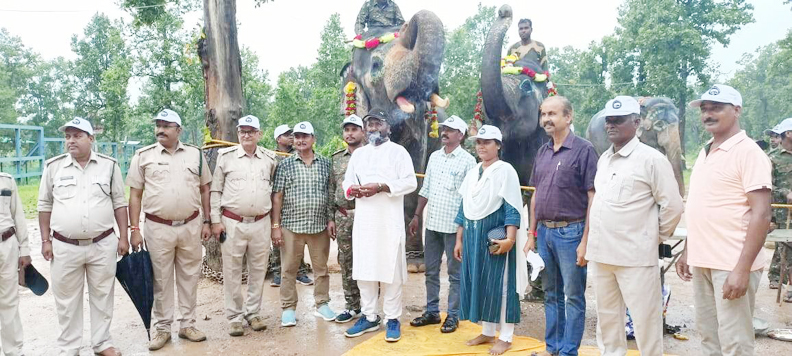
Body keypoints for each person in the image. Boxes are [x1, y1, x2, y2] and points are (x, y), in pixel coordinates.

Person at [675, 84, 772, 356]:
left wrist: (742, 269)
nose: (708, 114)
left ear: (737, 110)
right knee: (709, 338)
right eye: (704, 109)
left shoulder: (748, 152)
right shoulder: (706, 151)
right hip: (703, 260)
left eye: (716, 107)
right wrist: (688, 250)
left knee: (735, 343)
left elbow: (762, 213)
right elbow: (703, 208)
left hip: (731, 263)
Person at [587, 96, 684, 356]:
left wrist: (652, 236)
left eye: (619, 120)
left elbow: (673, 206)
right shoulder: (604, 160)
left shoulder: (651, 159)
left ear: (637, 123)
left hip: (636, 258)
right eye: (609, 120)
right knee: (607, 321)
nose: (611, 125)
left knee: (645, 323)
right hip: (602, 255)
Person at [38, 118, 128, 356]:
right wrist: (46, 240)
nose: (71, 141)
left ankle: (102, 343)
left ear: (91, 139)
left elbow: (120, 203)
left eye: (77, 136)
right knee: (67, 300)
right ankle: (70, 347)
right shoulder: (53, 167)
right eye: (68, 136)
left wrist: (124, 237)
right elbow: (44, 205)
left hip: (102, 243)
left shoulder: (109, 166)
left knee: (102, 296)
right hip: (64, 246)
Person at [126, 109, 212, 351]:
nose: (160, 129)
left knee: (189, 277)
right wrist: (134, 228)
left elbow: (205, 188)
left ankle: (188, 325)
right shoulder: (143, 156)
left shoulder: (195, 155)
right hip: (157, 227)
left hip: (190, 225)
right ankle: (163, 328)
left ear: (179, 130)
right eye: (158, 125)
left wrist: (207, 220)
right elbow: (135, 195)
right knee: (160, 279)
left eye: (166, 125)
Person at [525, 96, 597, 356]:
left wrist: (585, 242)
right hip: (543, 233)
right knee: (551, 295)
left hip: (571, 233)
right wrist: (531, 234)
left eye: (552, 114)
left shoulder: (584, 150)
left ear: (569, 117)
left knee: (573, 297)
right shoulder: (543, 152)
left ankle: (568, 352)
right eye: (543, 114)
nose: (546, 119)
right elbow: (535, 194)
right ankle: (552, 348)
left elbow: (592, 197)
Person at [342, 108, 417, 342]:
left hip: (389, 223)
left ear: (388, 127)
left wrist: (382, 187)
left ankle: (392, 318)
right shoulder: (359, 155)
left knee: (391, 271)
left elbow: (410, 182)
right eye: (369, 124)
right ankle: (369, 316)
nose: (373, 127)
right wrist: (352, 190)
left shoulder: (398, 152)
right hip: (364, 222)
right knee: (365, 270)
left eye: (378, 123)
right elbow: (348, 180)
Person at [452, 125, 526, 356]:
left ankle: (505, 336)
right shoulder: (474, 171)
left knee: (501, 285)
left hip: (495, 236)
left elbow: (512, 207)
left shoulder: (506, 170)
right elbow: (464, 208)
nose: (482, 146)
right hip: (472, 236)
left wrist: (510, 240)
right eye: (479, 142)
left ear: (498, 145)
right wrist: (459, 240)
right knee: (480, 282)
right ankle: (487, 331)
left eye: (487, 142)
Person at [210, 115, 278, 336]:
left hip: (261, 223)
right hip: (232, 223)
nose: (247, 135)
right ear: (238, 134)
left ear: (259, 134)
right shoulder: (225, 157)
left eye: (251, 131)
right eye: (243, 131)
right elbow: (215, 190)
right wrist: (215, 220)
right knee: (231, 271)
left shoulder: (270, 159)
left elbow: (275, 191)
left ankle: (253, 313)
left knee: (258, 270)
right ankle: (235, 317)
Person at [409, 115, 476, 333]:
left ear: (461, 135)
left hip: (454, 228)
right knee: (431, 270)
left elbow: (469, 198)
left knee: (455, 274)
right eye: (444, 128)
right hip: (433, 224)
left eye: (450, 129)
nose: (444, 132)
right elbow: (426, 189)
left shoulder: (468, 161)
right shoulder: (434, 157)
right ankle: (432, 312)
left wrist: (462, 229)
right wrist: (417, 215)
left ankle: (453, 316)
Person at [272, 121, 337, 327]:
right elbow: (277, 197)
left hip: (319, 226)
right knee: (288, 270)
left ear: (313, 139)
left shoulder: (326, 164)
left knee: (321, 269)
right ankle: (288, 309)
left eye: (305, 136)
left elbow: (330, 195)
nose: (300, 140)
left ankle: (322, 304)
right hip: (292, 226)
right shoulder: (285, 164)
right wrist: (275, 226)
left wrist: (330, 219)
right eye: (297, 137)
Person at [330, 115, 366, 323]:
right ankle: (352, 306)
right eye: (347, 130)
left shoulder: (371, 155)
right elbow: (331, 189)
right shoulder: (336, 158)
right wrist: (330, 218)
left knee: (368, 259)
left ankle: (370, 306)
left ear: (363, 132)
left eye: (354, 129)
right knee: (346, 261)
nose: (350, 133)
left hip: (366, 214)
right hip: (343, 216)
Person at [269, 124, 313, 288]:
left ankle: (300, 272)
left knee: (298, 239)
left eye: (291, 134)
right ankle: (278, 273)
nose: (290, 137)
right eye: (286, 135)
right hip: (277, 204)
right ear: (278, 139)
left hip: (296, 205)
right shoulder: (271, 157)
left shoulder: (299, 155)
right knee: (277, 238)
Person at [0, 167, 30, 356]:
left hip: (7, 243)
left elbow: (18, 216)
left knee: (9, 300)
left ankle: (13, 351)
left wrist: (24, 249)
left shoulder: (6, 181)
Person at [767, 118, 792, 300]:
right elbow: (765, 186)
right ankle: (782, 281)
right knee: (785, 246)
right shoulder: (772, 158)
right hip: (782, 211)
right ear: (788, 134)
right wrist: (785, 193)